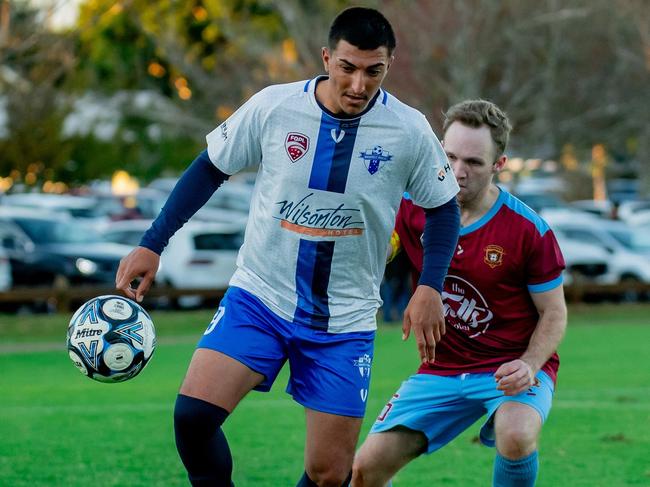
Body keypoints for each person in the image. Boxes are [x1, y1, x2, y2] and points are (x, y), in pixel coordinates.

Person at [115, 7, 460, 486]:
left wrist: (430, 288)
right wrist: (154, 242)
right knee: (192, 417)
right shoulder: (275, 107)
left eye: (373, 71)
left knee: (328, 474)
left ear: (389, 65)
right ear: (325, 58)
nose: (359, 85)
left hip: (345, 319)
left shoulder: (409, 129)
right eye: (347, 68)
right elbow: (210, 167)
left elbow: (443, 208)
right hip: (260, 297)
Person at [352, 100, 568, 487]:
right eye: (449, 156)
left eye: (474, 162)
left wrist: (530, 365)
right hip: (441, 369)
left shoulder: (528, 231)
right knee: (365, 469)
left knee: (516, 435)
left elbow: (554, 314)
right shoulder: (413, 207)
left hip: (509, 367)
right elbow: (381, 250)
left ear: (499, 164)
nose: (457, 172)